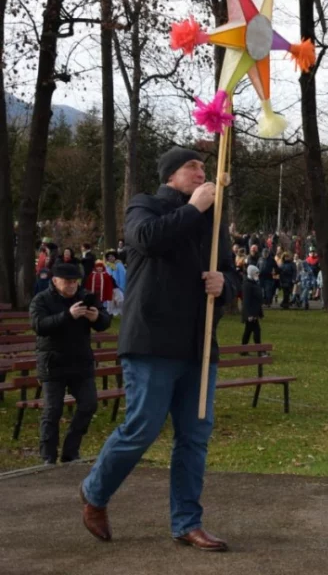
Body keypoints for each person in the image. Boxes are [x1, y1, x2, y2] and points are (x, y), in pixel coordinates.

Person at [81, 146, 238, 550]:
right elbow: (147, 240)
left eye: (205, 168)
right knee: (142, 427)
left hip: (199, 345)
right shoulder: (145, 206)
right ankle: (95, 493)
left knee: (194, 435)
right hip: (152, 339)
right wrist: (195, 208)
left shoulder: (215, 221)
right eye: (193, 167)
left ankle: (187, 521)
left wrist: (224, 287)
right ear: (171, 176)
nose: (202, 174)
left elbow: (231, 276)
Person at [30, 262, 112, 465]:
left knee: (88, 405)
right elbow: (39, 326)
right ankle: (48, 456)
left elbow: (105, 321)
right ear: (55, 281)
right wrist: (67, 316)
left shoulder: (85, 296)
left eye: (75, 281)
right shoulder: (42, 300)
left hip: (81, 362)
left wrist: (97, 318)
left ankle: (70, 451)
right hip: (53, 363)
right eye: (67, 282)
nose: (72, 286)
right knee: (53, 410)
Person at [242, 265, 264, 350]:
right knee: (256, 331)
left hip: (254, 312)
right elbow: (246, 301)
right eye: (256, 273)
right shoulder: (247, 284)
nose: (257, 275)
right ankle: (259, 349)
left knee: (248, 331)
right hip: (250, 313)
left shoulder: (254, 283)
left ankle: (243, 350)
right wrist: (249, 315)